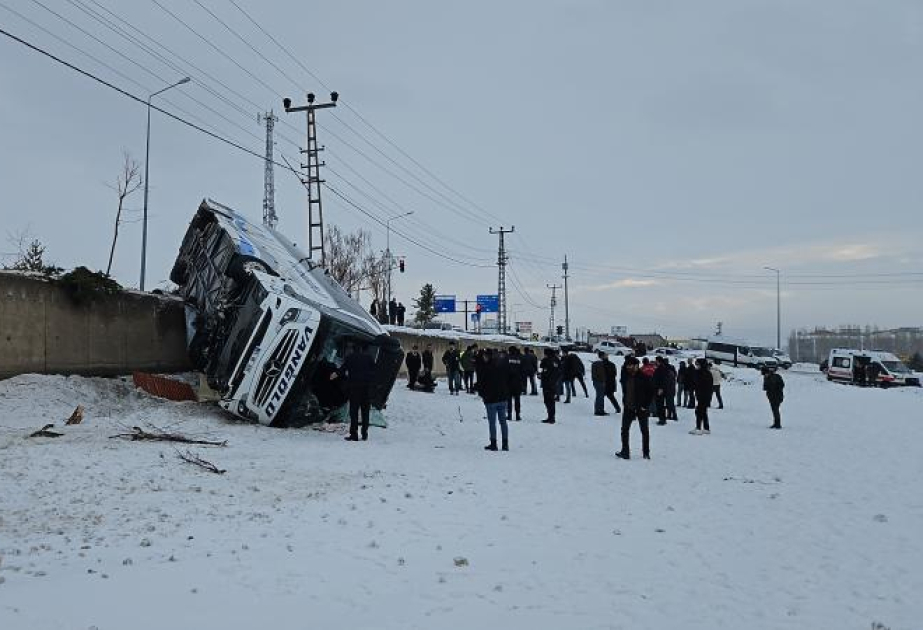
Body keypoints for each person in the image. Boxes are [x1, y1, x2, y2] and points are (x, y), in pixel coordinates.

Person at [615, 356, 655, 460]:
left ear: (636, 366)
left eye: (630, 365)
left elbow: (650, 392)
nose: (628, 367)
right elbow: (623, 375)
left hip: (641, 408)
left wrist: (645, 406)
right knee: (624, 430)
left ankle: (646, 453)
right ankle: (625, 451)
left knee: (644, 431)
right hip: (629, 407)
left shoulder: (644, 377)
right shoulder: (626, 376)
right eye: (627, 365)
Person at [334, 343, 376, 441]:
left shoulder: (350, 358)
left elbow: (342, 369)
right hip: (366, 389)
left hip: (354, 389)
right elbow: (374, 372)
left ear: (353, 349)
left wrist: (335, 374)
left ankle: (354, 434)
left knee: (354, 412)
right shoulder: (369, 358)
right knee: (365, 412)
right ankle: (364, 433)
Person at [476, 348, 511, 450]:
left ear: (487, 356)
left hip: (490, 399)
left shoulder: (485, 368)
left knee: (492, 422)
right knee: (503, 421)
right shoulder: (501, 366)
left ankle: (493, 443)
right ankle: (505, 444)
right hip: (503, 397)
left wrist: (482, 395)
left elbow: (481, 384)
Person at [690, 358, 713, 435]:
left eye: (698, 364)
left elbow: (698, 383)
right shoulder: (707, 373)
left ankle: (698, 427)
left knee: (699, 411)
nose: (696, 366)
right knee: (703, 412)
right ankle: (706, 428)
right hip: (705, 396)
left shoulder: (701, 374)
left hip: (703, 396)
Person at [539, 348, 561, 424]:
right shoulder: (557, 360)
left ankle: (551, 418)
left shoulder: (547, 360)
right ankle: (551, 417)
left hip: (547, 384)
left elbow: (544, 370)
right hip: (554, 383)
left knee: (548, 401)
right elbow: (559, 371)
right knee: (551, 401)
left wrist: (541, 375)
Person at [506, 346, 526, 421]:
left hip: (509, 382)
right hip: (518, 382)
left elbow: (504, 369)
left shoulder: (507, 358)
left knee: (509, 399)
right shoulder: (520, 358)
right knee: (517, 399)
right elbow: (523, 371)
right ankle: (517, 415)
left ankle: (509, 415)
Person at [652, 356, 671, 425]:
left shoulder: (662, 368)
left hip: (660, 389)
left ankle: (662, 419)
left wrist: (661, 388)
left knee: (660, 405)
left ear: (659, 361)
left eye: (656, 361)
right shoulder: (660, 368)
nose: (655, 362)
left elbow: (663, 379)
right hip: (658, 388)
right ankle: (661, 418)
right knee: (659, 404)